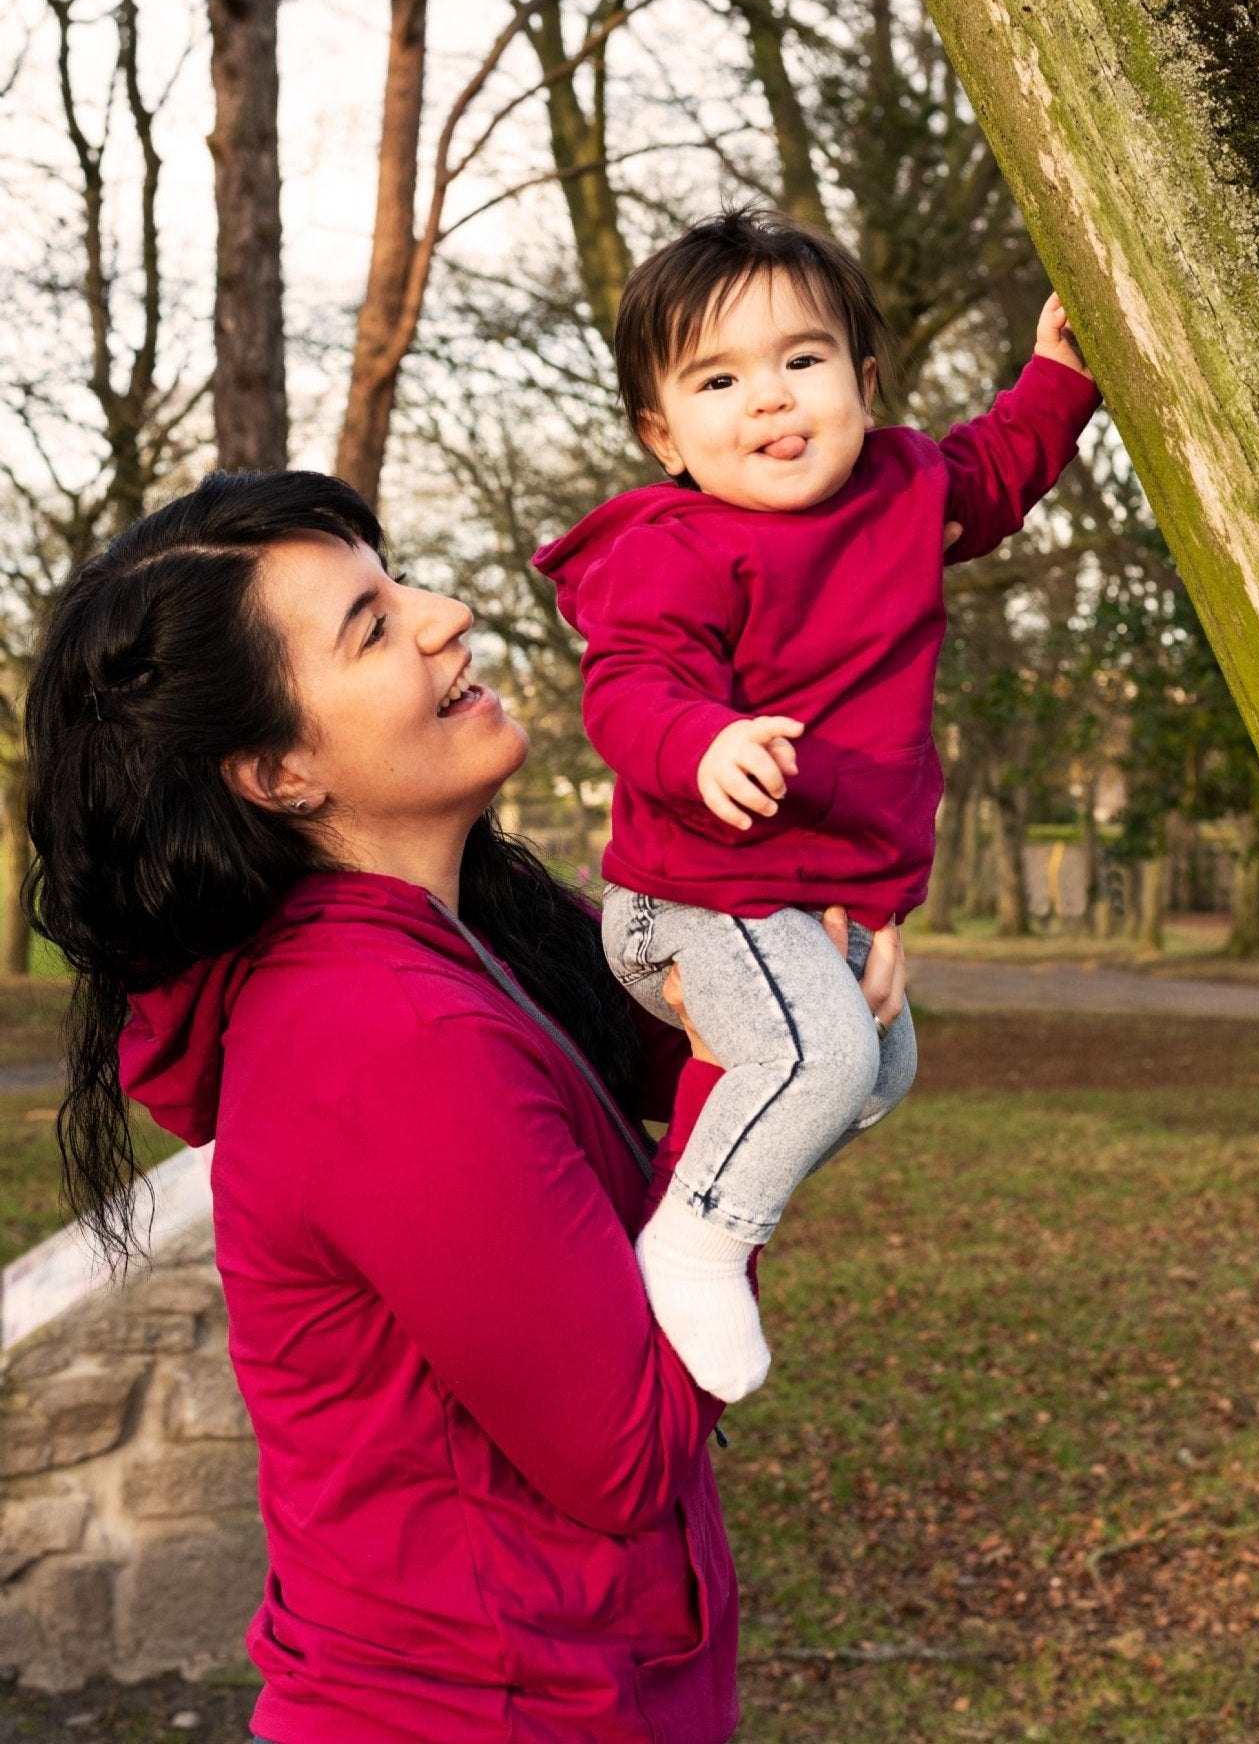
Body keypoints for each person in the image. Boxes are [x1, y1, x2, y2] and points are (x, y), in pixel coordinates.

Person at [22, 469, 905, 1744]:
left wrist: (793, 942)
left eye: (402, 581)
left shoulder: (470, 933)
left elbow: (696, 1025)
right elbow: (626, 1449)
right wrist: (750, 1067)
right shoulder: (382, 1038)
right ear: (276, 769)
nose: (446, 614)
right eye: (373, 625)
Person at [534, 208, 1101, 1404]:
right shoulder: (672, 547)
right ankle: (696, 1240)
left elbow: (996, 473)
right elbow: (630, 684)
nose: (772, 400)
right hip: (688, 894)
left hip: (806, 903)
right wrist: (702, 741)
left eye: (803, 360)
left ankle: (689, 1187)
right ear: (664, 433)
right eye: (720, 378)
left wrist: (1059, 374)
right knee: (820, 1055)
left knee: (876, 1074)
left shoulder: (901, 488)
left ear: (863, 381)